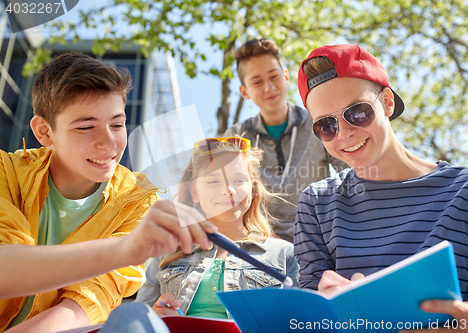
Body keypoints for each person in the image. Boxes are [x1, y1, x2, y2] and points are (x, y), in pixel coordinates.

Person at [0, 53, 215, 333]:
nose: (109, 143)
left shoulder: (137, 198)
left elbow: (94, 297)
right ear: (45, 131)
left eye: (117, 124)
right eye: (86, 127)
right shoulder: (6, 172)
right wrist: (124, 249)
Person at [293, 44, 468, 325]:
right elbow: (307, 322)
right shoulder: (316, 204)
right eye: (326, 125)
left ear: (387, 102)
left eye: (357, 112)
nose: (344, 134)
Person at [135, 137, 299, 318]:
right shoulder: (168, 252)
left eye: (238, 180)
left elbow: (303, 322)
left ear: (252, 189)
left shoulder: (285, 254)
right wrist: (155, 316)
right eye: (213, 181)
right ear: (194, 192)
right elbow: (136, 321)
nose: (228, 190)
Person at [223, 38, 347, 242]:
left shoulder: (318, 122)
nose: (269, 87)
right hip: (259, 243)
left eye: (274, 76)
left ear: (286, 76)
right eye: (257, 82)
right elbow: (224, 197)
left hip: (320, 236)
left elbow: (350, 169)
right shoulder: (235, 138)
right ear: (244, 92)